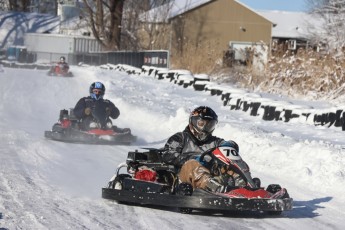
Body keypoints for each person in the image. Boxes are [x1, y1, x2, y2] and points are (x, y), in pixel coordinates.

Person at [162, 106, 245, 193]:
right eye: (201, 124)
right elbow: (167, 155)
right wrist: (194, 159)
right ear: (193, 122)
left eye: (209, 125)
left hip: (211, 175)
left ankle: (243, 185)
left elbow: (230, 147)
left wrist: (230, 145)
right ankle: (216, 188)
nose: (205, 128)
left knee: (227, 162)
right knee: (192, 164)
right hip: (184, 178)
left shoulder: (215, 141)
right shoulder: (180, 138)